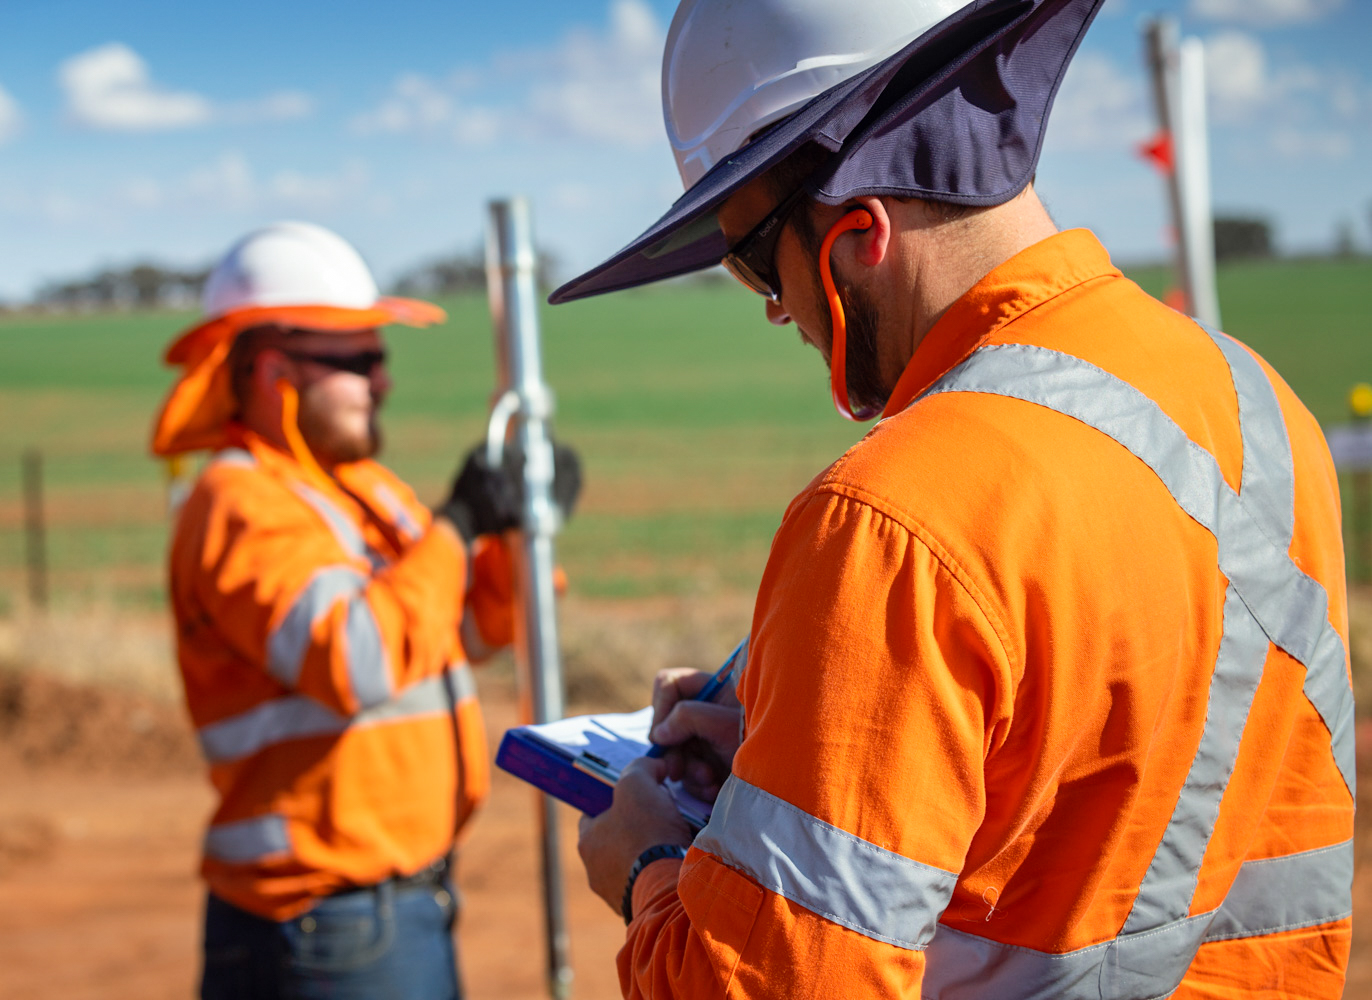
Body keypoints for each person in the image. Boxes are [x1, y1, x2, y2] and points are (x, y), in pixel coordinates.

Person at [555, 0, 1354, 995]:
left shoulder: (892, 518)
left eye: (756, 260)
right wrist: (792, 740)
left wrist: (643, 866)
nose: (772, 308)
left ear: (858, 233)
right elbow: (1120, 781)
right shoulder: (1260, 404)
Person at [151, 221, 579, 999]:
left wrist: (519, 536)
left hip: (398, 904)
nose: (382, 381)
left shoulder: (365, 491)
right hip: (323, 920)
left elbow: (461, 631)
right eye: (360, 360)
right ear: (276, 370)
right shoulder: (239, 502)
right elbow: (353, 659)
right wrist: (456, 525)